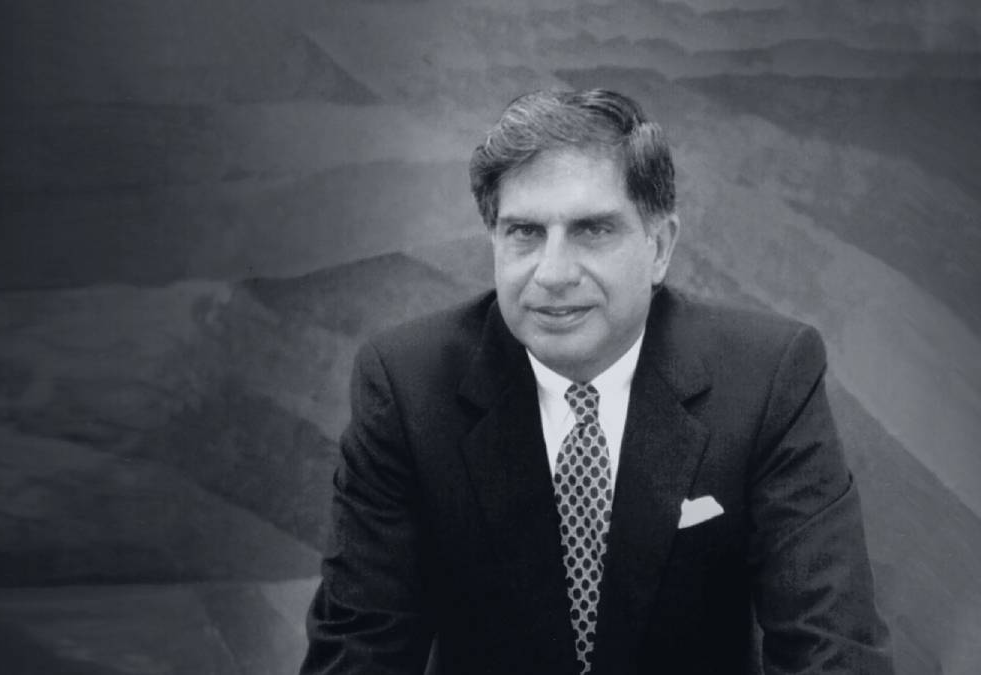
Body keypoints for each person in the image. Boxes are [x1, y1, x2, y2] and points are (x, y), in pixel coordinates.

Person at [300, 88, 893, 674]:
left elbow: (833, 648)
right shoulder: (409, 386)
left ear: (659, 247)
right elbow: (358, 651)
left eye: (592, 230)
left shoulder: (766, 378)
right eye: (525, 232)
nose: (553, 274)